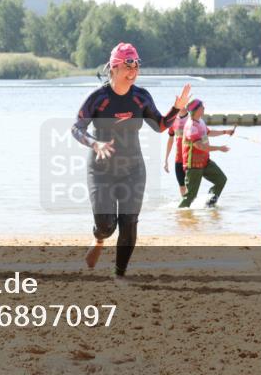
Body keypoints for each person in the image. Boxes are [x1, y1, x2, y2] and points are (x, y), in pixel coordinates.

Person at [72, 43, 190, 279]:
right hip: (101, 170)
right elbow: (76, 129)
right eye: (128, 66)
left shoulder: (141, 97)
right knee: (106, 226)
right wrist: (95, 144)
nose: (133, 71)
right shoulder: (97, 98)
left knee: (129, 223)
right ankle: (99, 239)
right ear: (114, 68)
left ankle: (119, 275)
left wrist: (176, 109)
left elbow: (160, 126)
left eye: (136, 65)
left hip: (133, 169)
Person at [178, 99, 235, 209]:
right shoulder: (191, 127)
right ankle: (180, 215)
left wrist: (225, 132)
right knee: (190, 196)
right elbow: (200, 146)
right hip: (193, 165)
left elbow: (208, 133)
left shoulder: (200, 121)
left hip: (205, 162)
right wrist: (219, 148)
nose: (204, 109)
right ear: (196, 110)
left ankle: (209, 205)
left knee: (221, 180)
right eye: (202, 107)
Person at [163, 106, 190, 197]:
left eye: (183, 104)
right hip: (178, 159)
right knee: (182, 186)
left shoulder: (192, 119)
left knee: (191, 186)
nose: (181, 107)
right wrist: (166, 159)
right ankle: (185, 209)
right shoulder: (173, 121)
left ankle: (191, 207)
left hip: (191, 159)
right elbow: (170, 140)